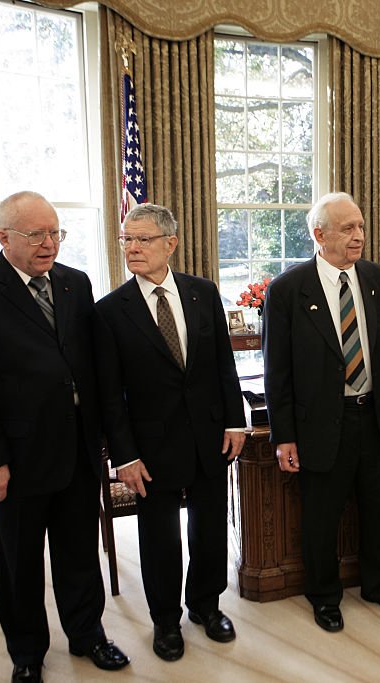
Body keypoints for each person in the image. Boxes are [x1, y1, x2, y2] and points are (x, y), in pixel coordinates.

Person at [0, 191, 129, 683]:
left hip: (78, 452)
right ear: (4, 237)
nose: (50, 244)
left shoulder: (75, 283)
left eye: (55, 233)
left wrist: (106, 438)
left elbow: (89, 365)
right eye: (36, 234)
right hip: (16, 461)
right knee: (19, 564)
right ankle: (26, 654)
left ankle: (88, 635)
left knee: (79, 554)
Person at [93, 203, 245, 660]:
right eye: (126, 239)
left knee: (209, 527)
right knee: (160, 539)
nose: (132, 248)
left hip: (209, 437)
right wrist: (124, 456)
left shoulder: (203, 292)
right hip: (150, 447)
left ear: (170, 243)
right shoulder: (110, 310)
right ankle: (165, 620)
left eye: (143, 239)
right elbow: (109, 395)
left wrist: (235, 421)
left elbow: (222, 364)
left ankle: (206, 605)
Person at [263, 192, 380, 633]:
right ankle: (325, 596)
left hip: (376, 417)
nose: (359, 236)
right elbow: (277, 371)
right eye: (348, 228)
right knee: (321, 518)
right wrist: (283, 436)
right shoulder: (288, 290)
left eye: (360, 226)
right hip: (322, 424)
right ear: (319, 234)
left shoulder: (377, 278)